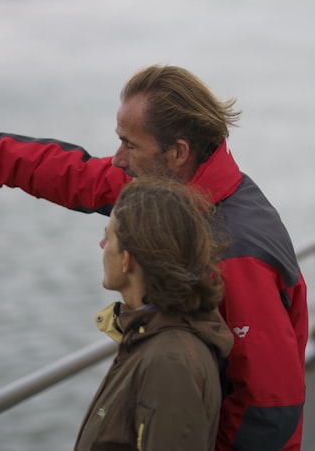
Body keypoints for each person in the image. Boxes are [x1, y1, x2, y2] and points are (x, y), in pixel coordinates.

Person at [0, 64, 308, 451]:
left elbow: (270, 407)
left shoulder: (239, 252)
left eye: (128, 144)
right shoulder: (172, 200)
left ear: (177, 152)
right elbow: (79, 175)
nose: (118, 158)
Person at [76, 176, 233, 451]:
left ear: (128, 259)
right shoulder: (146, 337)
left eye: (109, 236)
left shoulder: (169, 364)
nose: (102, 245)